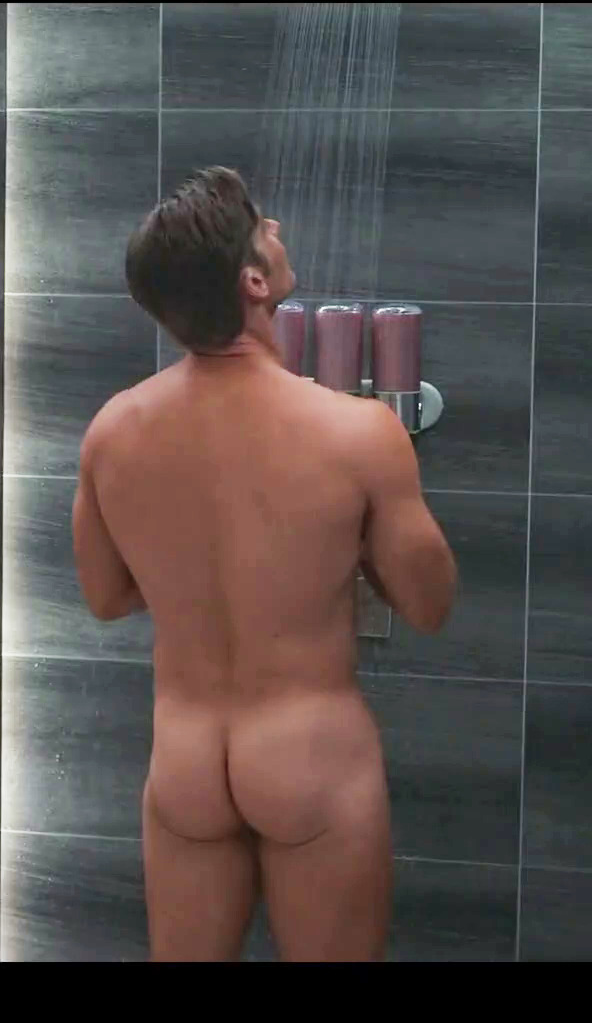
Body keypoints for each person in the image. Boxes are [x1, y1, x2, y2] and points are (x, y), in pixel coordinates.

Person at [74, 166, 457, 962]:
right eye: (261, 225)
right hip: (309, 756)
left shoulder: (113, 431)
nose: (276, 227)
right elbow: (429, 603)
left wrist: (193, 571)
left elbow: (105, 596)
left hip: (185, 762)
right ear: (253, 281)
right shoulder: (358, 432)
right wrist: (342, 546)